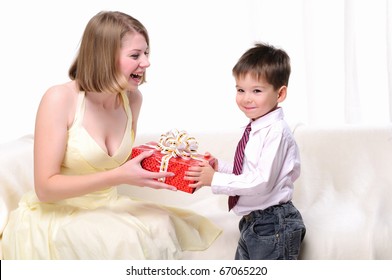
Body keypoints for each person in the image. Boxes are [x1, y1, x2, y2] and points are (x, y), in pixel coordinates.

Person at [1, 11, 221, 260]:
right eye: (135, 55)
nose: (146, 62)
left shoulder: (133, 99)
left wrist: (179, 165)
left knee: (163, 224)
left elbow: (128, 164)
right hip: (59, 213)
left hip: (107, 205)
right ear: (104, 58)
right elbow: (45, 189)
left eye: (146, 53)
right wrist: (119, 175)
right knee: (127, 239)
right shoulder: (60, 99)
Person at [185, 43, 306, 260]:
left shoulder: (275, 132)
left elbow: (261, 181)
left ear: (280, 93)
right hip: (254, 223)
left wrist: (215, 179)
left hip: (273, 224)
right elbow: (249, 170)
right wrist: (219, 167)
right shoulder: (256, 128)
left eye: (256, 91)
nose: (246, 98)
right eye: (240, 89)